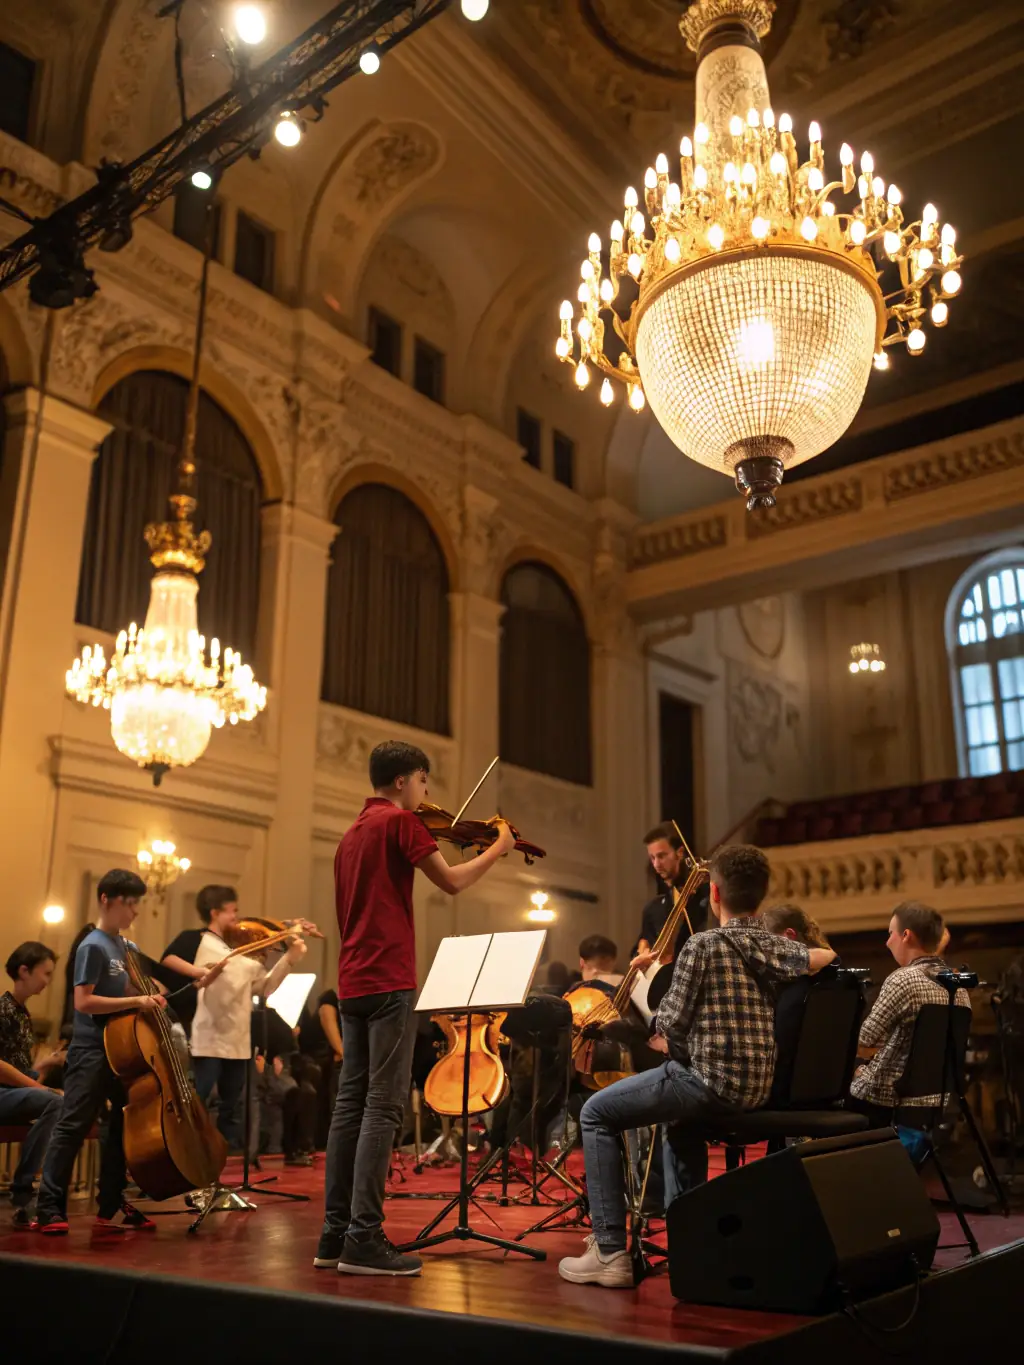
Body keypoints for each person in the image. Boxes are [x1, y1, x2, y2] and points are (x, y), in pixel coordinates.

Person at [558, 845, 836, 1288]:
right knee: (678, 1123)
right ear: (759, 898)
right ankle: (693, 1244)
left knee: (596, 1113)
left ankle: (609, 1251)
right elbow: (820, 957)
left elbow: (667, 1023)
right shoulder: (770, 944)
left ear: (713, 892)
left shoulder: (703, 945)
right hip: (756, 1088)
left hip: (707, 1082)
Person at [316, 739, 515, 1278]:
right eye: (425, 782)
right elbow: (451, 882)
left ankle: (334, 1235)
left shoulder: (350, 835)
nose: (427, 794)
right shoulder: (401, 824)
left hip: (353, 982)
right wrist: (498, 847)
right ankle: (364, 1238)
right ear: (405, 780)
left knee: (349, 1108)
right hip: (389, 979)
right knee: (383, 1109)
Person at [34, 870, 169, 1234]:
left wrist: (150, 991)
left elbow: (126, 987)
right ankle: (48, 1206)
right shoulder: (92, 945)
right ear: (107, 900)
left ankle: (111, 1203)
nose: (135, 911)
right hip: (91, 1050)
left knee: (124, 1125)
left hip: (122, 1051)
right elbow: (84, 1001)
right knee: (73, 1125)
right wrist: (136, 998)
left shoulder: (125, 947)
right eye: (129, 903)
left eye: (137, 903)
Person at [190, 885, 307, 1150]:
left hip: (237, 1042)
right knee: (199, 1105)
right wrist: (278, 937)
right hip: (210, 1042)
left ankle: (219, 1171)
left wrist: (289, 957)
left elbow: (261, 987)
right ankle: (193, 1162)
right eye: (232, 912)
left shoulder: (235, 950)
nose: (237, 918)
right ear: (215, 913)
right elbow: (234, 971)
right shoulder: (207, 945)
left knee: (231, 1110)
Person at [849, 901, 969, 1126]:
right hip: (934, 1102)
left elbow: (863, 1041)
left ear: (906, 935)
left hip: (888, 1103)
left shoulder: (902, 979)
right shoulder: (958, 986)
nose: (887, 942)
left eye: (890, 934)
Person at [0, 942, 66, 1226]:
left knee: (63, 1099)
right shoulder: (3, 1009)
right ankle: (24, 1189)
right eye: (46, 973)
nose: (48, 982)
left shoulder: (22, 1014)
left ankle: (42, 1189)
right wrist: (41, 1089)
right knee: (54, 1100)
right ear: (24, 971)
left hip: (10, 1093)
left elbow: (19, 1071)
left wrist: (47, 1065)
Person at [761, 903, 837, 1104]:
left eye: (768, 943)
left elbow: (779, 1054)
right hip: (829, 1092)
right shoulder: (837, 975)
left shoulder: (792, 990)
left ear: (788, 935)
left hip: (783, 1096)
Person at [632, 823, 709, 970]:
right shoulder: (653, 909)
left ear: (679, 853)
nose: (656, 864)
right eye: (652, 858)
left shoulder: (704, 895)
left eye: (661, 856)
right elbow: (642, 943)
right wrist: (643, 950)